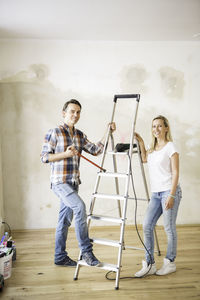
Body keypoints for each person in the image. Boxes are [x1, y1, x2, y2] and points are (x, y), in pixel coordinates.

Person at [41, 99, 116, 267]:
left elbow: (96, 150)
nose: (75, 115)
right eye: (72, 111)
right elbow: (44, 157)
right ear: (63, 113)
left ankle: (60, 256)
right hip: (60, 183)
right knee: (80, 207)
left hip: (73, 183)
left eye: (78, 112)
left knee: (64, 222)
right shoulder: (54, 132)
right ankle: (86, 252)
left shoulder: (80, 135)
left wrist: (107, 132)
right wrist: (65, 154)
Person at [134, 115, 182, 277]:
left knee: (168, 227)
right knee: (147, 225)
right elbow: (145, 159)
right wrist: (141, 142)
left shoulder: (171, 147)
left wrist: (172, 195)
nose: (156, 129)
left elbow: (175, 173)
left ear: (166, 128)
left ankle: (170, 263)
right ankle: (150, 264)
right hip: (156, 194)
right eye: (154, 126)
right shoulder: (152, 148)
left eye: (160, 126)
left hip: (169, 191)